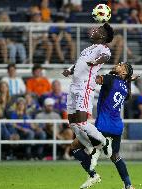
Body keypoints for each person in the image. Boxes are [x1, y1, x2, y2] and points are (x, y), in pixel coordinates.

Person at [70, 63, 136, 189]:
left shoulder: (110, 79)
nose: (118, 65)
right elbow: (127, 95)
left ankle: (93, 174)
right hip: (116, 127)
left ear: (124, 73)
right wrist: (128, 79)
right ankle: (128, 185)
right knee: (115, 157)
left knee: (75, 146)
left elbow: (94, 80)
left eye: (121, 65)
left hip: (103, 127)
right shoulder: (126, 87)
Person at [62, 23, 114, 162]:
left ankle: (104, 142)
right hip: (74, 86)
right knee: (73, 124)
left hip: (84, 87)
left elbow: (105, 57)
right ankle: (90, 148)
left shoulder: (103, 48)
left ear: (102, 35)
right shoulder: (87, 49)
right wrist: (70, 70)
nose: (94, 30)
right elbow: (79, 63)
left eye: (98, 30)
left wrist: (95, 62)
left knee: (82, 122)